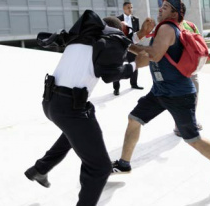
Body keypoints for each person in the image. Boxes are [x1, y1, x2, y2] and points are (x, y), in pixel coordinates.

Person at [110, 0, 210, 189]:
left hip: (179, 94)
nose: (160, 9)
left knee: (192, 138)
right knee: (134, 119)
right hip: (160, 91)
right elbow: (145, 60)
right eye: (160, 6)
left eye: (166, 7)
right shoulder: (160, 31)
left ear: (176, 14)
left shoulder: (168, 28)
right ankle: (124, 163)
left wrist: (126, 43)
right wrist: (129, 54)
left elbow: (155, 54)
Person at [24, 13, 155, 206]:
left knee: (80, 126)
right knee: (99, 168)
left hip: (51, 102)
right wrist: (136, 65)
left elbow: (121, 47)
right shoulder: (109, 40)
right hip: (69, 108)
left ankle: (40, 169)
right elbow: (111, 76)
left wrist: (139, 36)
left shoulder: (81, 38)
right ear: (118, 31)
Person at [172, 17, 203, 137]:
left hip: (192, 70)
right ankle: (178, 125)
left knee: (194, 95)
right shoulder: (169, 27)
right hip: (176, 70)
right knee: (177, 98)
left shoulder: (191, 25)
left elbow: (200, 44)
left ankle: (192, 121)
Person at [114, 1, 143, 95]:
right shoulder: (117, 19)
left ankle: (134, 84)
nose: (130, 9)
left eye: (131, 7)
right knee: (117, 66)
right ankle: (116, 88)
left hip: (132, 46)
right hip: (120, 46)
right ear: (123, 9)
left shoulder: (136, 19)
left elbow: (137, 33)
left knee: (134, 64)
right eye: (128, 8)